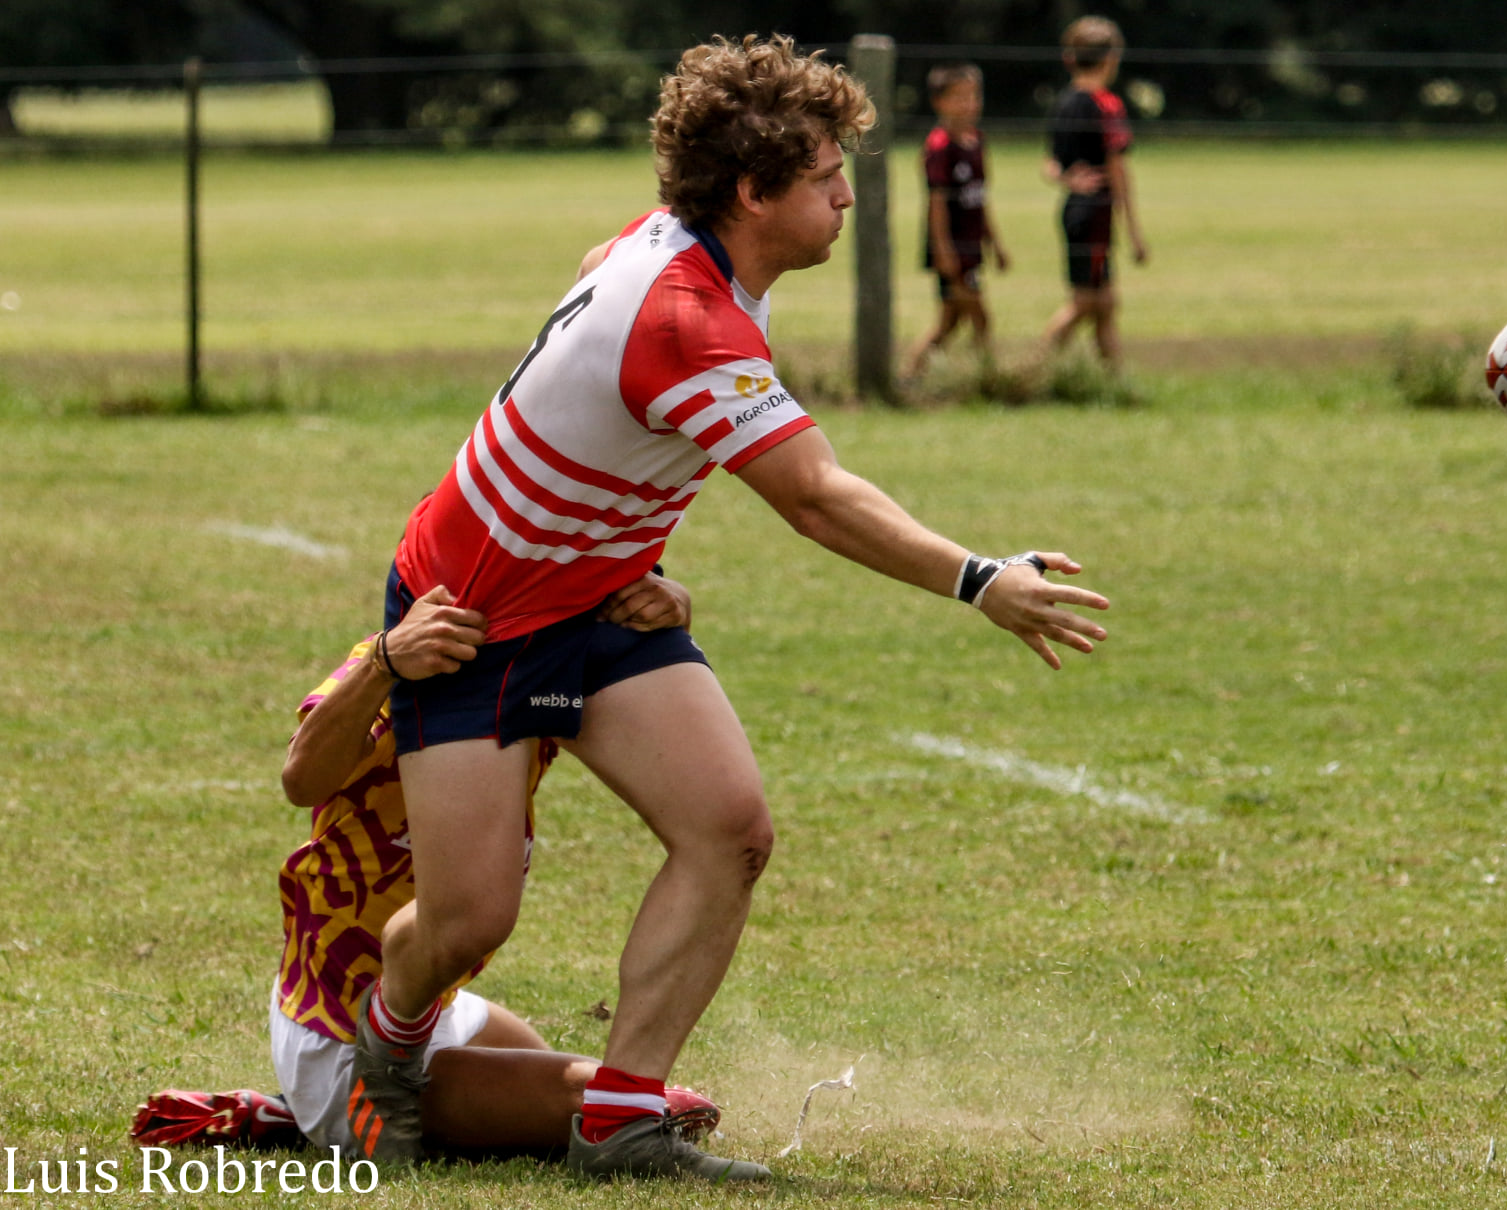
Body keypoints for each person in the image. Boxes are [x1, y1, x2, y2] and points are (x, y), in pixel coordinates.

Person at [354, 33, 1110, 1185]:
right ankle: (389, 1043)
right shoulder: (686, 317)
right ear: (752, 193)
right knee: (467, 924)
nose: (849, 193)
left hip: (603, 602)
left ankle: (619, 1119)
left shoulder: (668, 249)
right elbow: (814, 496)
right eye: (824, 177)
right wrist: (980, 577)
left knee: (729, 827)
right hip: (470, 620)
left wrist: (613, 543)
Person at [130, 573, 721, 1157]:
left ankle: (292, 1119)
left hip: (431, 1006)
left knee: (594, 1093)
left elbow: (634, 726)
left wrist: (662, 637)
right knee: (651, 1108)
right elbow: (301, 779)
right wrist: (383, 662)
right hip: (343, 1029)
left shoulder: (539, 688)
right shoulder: (413, 660)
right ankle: (324, 1109)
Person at [1040, 15, 1148, 371]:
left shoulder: (1065, 102)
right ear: (1111, 58)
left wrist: (1069, 181)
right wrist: (1134, 231)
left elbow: (1050, 166)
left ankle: (1115, 379)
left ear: (1070, 57)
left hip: (1073, 210)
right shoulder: (1107, 104)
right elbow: (1118, 170)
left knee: (1105, 304)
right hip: (1096, 215)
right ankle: (1032, 367)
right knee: (1086, 303)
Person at [902, 61, 1009, 381]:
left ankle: (911, 374)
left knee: (950, 321)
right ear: (939, 102)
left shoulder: (977, 141)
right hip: (951, 248)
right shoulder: (939, 148)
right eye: (960, 97)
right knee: (979, 316)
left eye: (974, 96)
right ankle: (988, 377)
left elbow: (981, 198)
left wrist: (995, 243)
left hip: (972, 244)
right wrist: (943, 251)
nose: (970, 104)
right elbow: (936, 205)